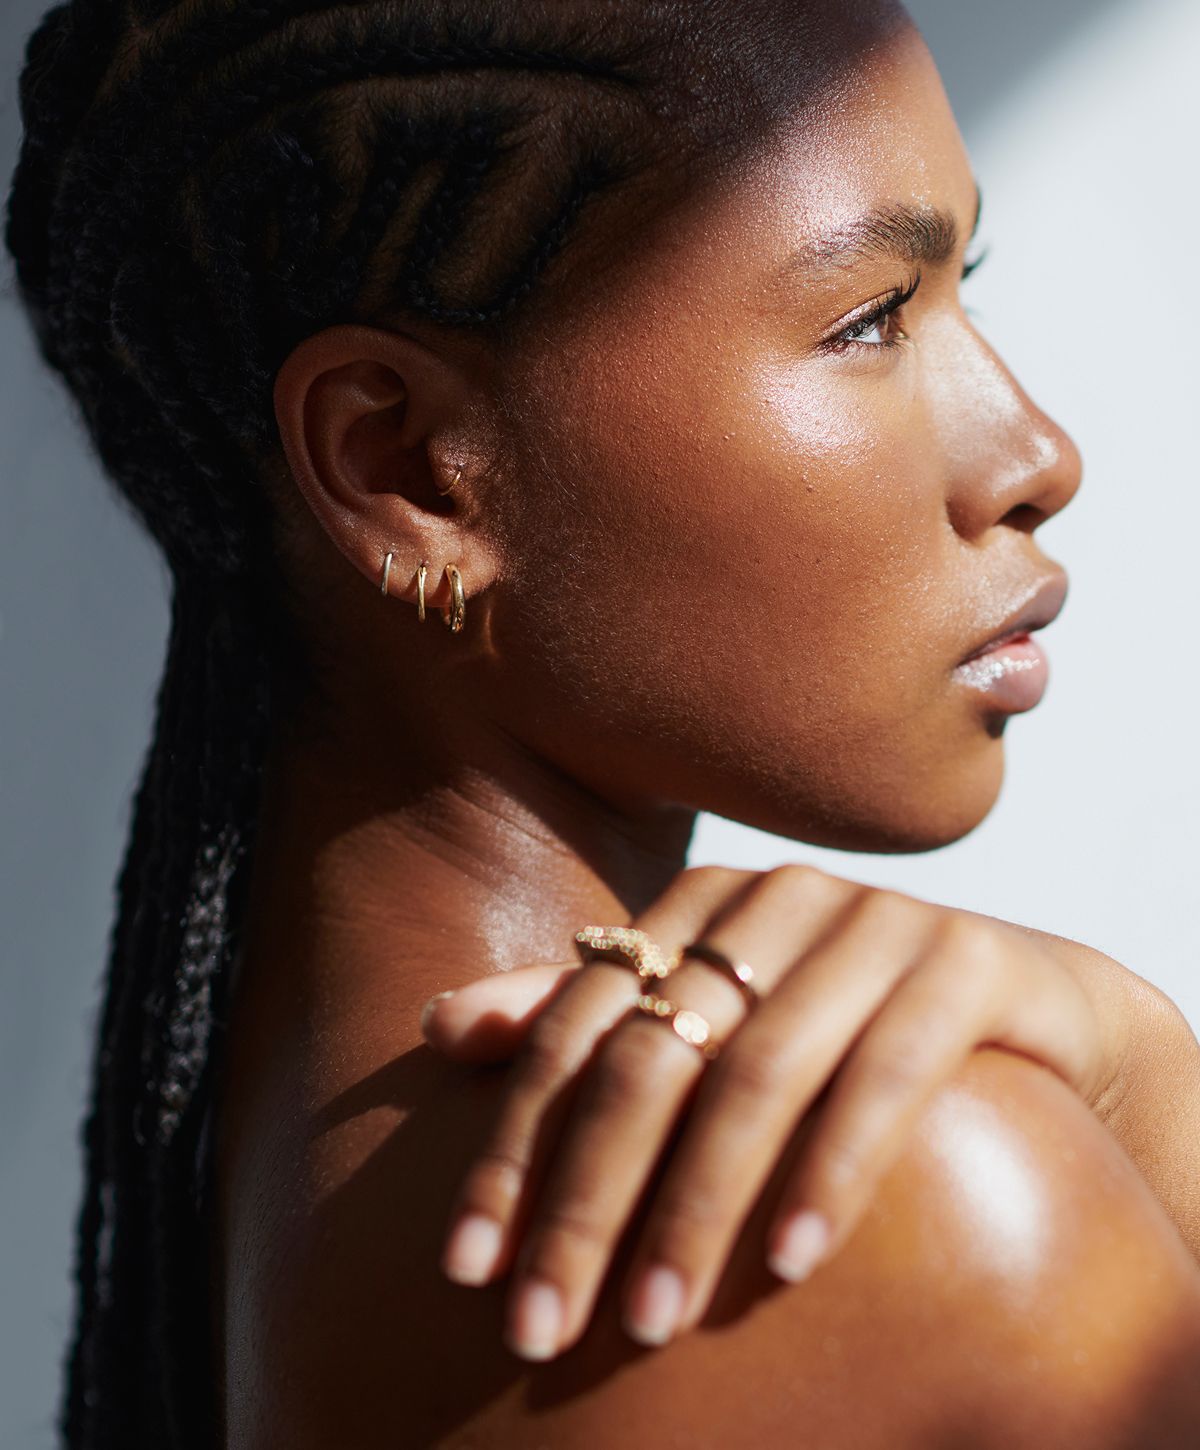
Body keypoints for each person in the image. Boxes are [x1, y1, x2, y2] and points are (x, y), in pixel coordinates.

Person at [7, 0, 1200, 1446]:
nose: (1037, 455)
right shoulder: (892, 1205)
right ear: (410, 468)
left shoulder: (280, 1179)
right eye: (871, 317)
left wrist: (1136, 1059)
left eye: (968, 283)